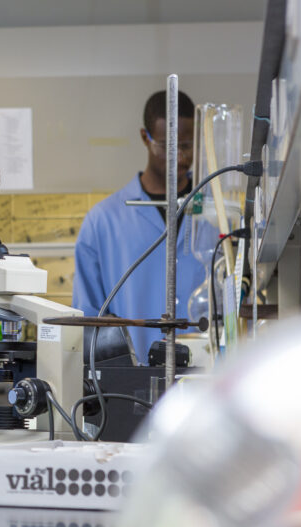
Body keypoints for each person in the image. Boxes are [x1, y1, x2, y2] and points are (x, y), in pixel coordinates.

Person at [72, 90, 208, 361]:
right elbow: (87, 320)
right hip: (133, 386)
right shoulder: (104, 220)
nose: (180, 158)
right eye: (168, 147)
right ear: (145, 138)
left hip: (207, 376)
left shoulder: (217, 214)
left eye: (188, 145)